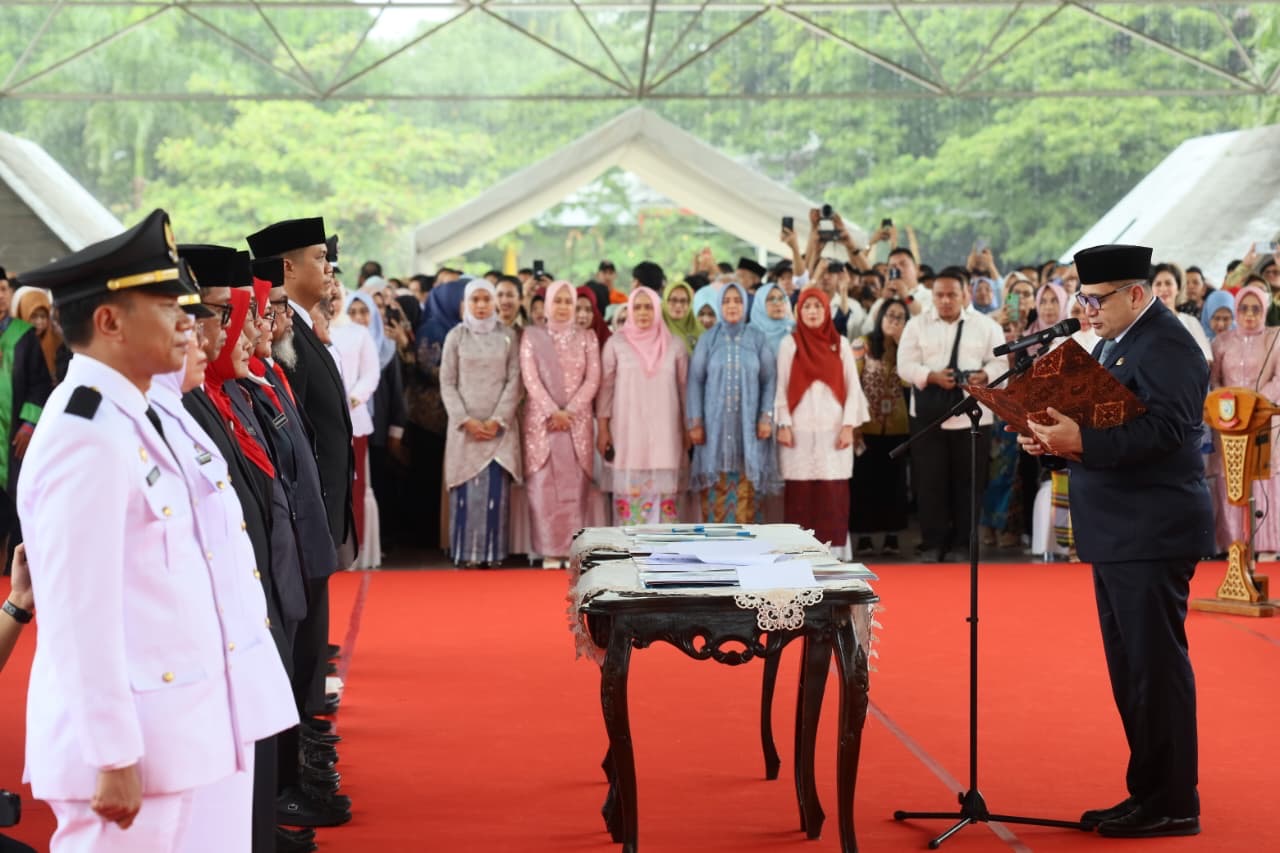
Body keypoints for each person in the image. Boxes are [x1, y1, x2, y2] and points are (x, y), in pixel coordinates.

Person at [15, 209, 261, 851]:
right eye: (167, 305)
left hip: (175, 730)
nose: (186, 323)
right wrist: (113, 751)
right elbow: (79, 611)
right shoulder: (85, 433)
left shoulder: (135, 414)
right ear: (109, 322)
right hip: (132, 747)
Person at [1019, 244, 1210, 839]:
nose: (1087, 309)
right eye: (1082, 298)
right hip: (1119, 529)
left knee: (1156, 669)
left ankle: (1175, 802)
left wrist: (1080, 441)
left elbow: (1168, 432)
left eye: (1096, 299)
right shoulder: (1113, 342)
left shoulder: (1170, 343)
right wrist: (1054, 439)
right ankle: (1146, 792)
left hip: (1153, 528)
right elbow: (1103, 422)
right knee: (1131, 672)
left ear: (1136, 293)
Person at [150, 318, 299, 853]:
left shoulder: (173, 411)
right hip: (168, 697)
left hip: (221, 671)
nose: (199, 339)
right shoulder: (98, 427)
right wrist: (112, 747)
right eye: (180, 322)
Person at [246, 218, 351, 747]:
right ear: (287, 267)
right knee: (302, 626)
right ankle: (302, 740)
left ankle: (307, 725)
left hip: (318, 505)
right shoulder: (287, 336)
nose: (327, 266)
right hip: (304, 508)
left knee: (314, 624)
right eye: (318, 257)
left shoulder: (305, 327)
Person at [897, 267, 1006, 561]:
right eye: (939, 295)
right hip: (928, 415)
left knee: (969, 483)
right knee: (929, 481)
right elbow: (904, 365)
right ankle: (932, 543)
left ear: (965, 294)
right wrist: (931, 376)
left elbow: (1002, 364)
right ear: (932, 295)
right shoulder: (916, 325)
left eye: (952, 295)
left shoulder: (986, 326)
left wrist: (985, 375)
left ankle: (962, 544)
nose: (945, 301)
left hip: (973, 417)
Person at [775, 289, 869, 553]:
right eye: (807, 307)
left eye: (818, 306)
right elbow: (781, 386)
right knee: (800, 493)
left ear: (827, 310)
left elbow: (853, 388)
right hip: (798, 432)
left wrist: (849, 426)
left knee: (833, 493)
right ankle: (797, 552)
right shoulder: (789, 344)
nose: (812, 311)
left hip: (834, 431)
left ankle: (835, 553)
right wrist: (783, 424)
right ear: (799, 312)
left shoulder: (841, 344)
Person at [440, 279, 522, 566]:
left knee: (495, 494)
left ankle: (492, 554)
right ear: (466, 303)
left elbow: (515, 381)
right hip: (465, 431)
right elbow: (447, 382)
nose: (482, 305)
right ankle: (466, 554)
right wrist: (466, 421)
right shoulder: (456, 336)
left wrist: (498, 420)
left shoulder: (508, 336)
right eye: (475, 300)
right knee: (466, 492)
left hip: (499, 430)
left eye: (487, 299)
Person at [520, 280, 600, 567]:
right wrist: (553, 411)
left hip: (576, 424)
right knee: (544, 486)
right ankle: (549, 550)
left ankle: (572, 549)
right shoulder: (532, 336)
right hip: (543, 424)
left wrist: (570, 411)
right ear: (547, 305)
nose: (563, 307)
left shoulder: (588, 337)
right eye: (558, 301)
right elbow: (530, 378)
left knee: (575, 488)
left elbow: (593, 378)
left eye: (568, 301)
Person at [687, 282, 779, 523]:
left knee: (748, 492)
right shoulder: (708, 339)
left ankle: (746, 544)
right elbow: (695, 381)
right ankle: (716, 544)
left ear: (745, 304)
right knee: (715, 489)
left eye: (737, 301)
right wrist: (695, 422)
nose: (732, 306)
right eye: (726, 301)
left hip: (749, 428)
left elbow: (769, 379)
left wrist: (766, 417)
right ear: (719, 305)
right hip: (714, 429)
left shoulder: (757, 338)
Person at [596, 286, 688, 526]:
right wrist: (603, 429)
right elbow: (606, 390)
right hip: (628, 433)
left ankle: (663, 549)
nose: (643, 312)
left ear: (658, 309)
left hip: (666, 435)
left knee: (666, 505)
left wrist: (688, 429)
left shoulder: (675, 345)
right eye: (637, 307)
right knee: (630, 506)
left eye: (649, 307)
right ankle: (631, 547)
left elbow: (684, 390)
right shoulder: (616, 344)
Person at [1208, 285, 1280, 555]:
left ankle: (1266, 545)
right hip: (1229, 424)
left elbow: (1279, 379)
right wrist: (1228, 404)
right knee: (1230, 477)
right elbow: (1214, 379)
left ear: (1265, 310)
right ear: (1237, 310)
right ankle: (1233, 545)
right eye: (1244, 308)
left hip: (1263, 420)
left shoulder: (1274, 339)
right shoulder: (1222, 341)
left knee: (1263, 478)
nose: (1250, 314)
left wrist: (1253, 404)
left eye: (1256, 309)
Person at [849, 298, 910, 555]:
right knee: (864, 481)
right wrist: (853, 422)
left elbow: (908, 382)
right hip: (866, 425)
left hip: (897, 425)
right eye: (890, 315)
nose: (894, 321)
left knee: (893, 482)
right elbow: (851, 381)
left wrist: (901, 344)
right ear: (880, 317)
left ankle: (891, 536)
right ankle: (863, 535)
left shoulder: (908, 347)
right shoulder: (861, 343)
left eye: (900, 317)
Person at [333, 292, 383, 568]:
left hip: (354, 417)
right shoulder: (311, 327)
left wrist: (353, 397)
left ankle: (355, 551)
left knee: (355, 486)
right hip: (322, 418)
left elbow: (371, 373)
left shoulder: (358, 333)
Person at [1152, 263, 1212, 362]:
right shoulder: (1144, 324)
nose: (1163, 289)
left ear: (1178, 288)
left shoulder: (1191, 321)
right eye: (1158, 284)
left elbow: (1207, 360)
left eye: (1168, 283)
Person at [10, 286, 62, 384]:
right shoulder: (9, 346)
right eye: (33, 316)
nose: (39, 322)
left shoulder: (58, 343)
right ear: (21, 314)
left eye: (43, 316)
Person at [749, 281, 795, 355]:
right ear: (759, 304)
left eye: (781, 298)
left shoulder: (794, 329)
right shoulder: (749, 334)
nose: (778, 303)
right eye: (771, 299)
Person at [661, 279, 701, 355]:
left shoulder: (699, 330)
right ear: (665, 301)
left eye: (683, 301)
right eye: (673, 300)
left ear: (690, 303)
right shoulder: (656, 329)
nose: (678, 305)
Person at [575, 285, 611, 350]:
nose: (582, 315)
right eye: (577, 309)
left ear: (594, 313)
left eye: (588, 310)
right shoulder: (558, 338)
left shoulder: (606, 339)